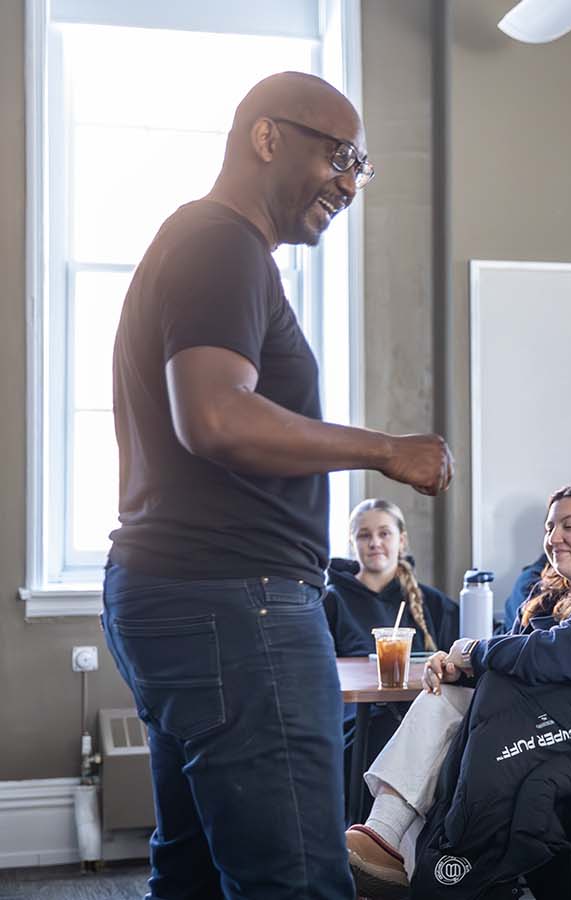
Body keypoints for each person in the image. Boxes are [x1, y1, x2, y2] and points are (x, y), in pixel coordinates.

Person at [103, 72, 453, 899]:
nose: (350, 183)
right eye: (342, 157)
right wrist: (385, 450)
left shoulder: (204, 248)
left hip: (179, 597)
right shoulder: (222, 244)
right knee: (296, 878)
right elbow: (216, 418)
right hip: (237, 605)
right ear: (267, 137)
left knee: (192, 871)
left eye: (361, 168)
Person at [344, 482, 571, 897]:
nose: (554, 538)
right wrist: (456, 667)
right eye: (549, 527)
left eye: (568, 526)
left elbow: (556, 655)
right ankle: (389, 845)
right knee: (446, 699)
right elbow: (512, 657)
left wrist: (472, 654)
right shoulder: (547, 596)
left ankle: (389, 843)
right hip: (536, 729)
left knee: (454, 712)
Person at [324, 498, 458, 811]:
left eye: (384, 533)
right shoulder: (331, 601)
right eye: (364, 535)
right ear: (352, 542)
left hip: (424, 713)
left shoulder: (432, 602)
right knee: (381, 731)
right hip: (358, 721)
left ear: (402, 539)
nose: (374, 543)